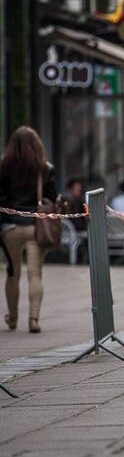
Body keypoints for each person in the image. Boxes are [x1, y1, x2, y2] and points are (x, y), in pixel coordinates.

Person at [0, 126, 58, 334]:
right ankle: (34, 319)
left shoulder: (4, 166)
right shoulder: (45, 168)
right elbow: (52, 198)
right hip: (36, 225)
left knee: (12, 272)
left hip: (10, 227)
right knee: (35, 274)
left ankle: (12, 317)